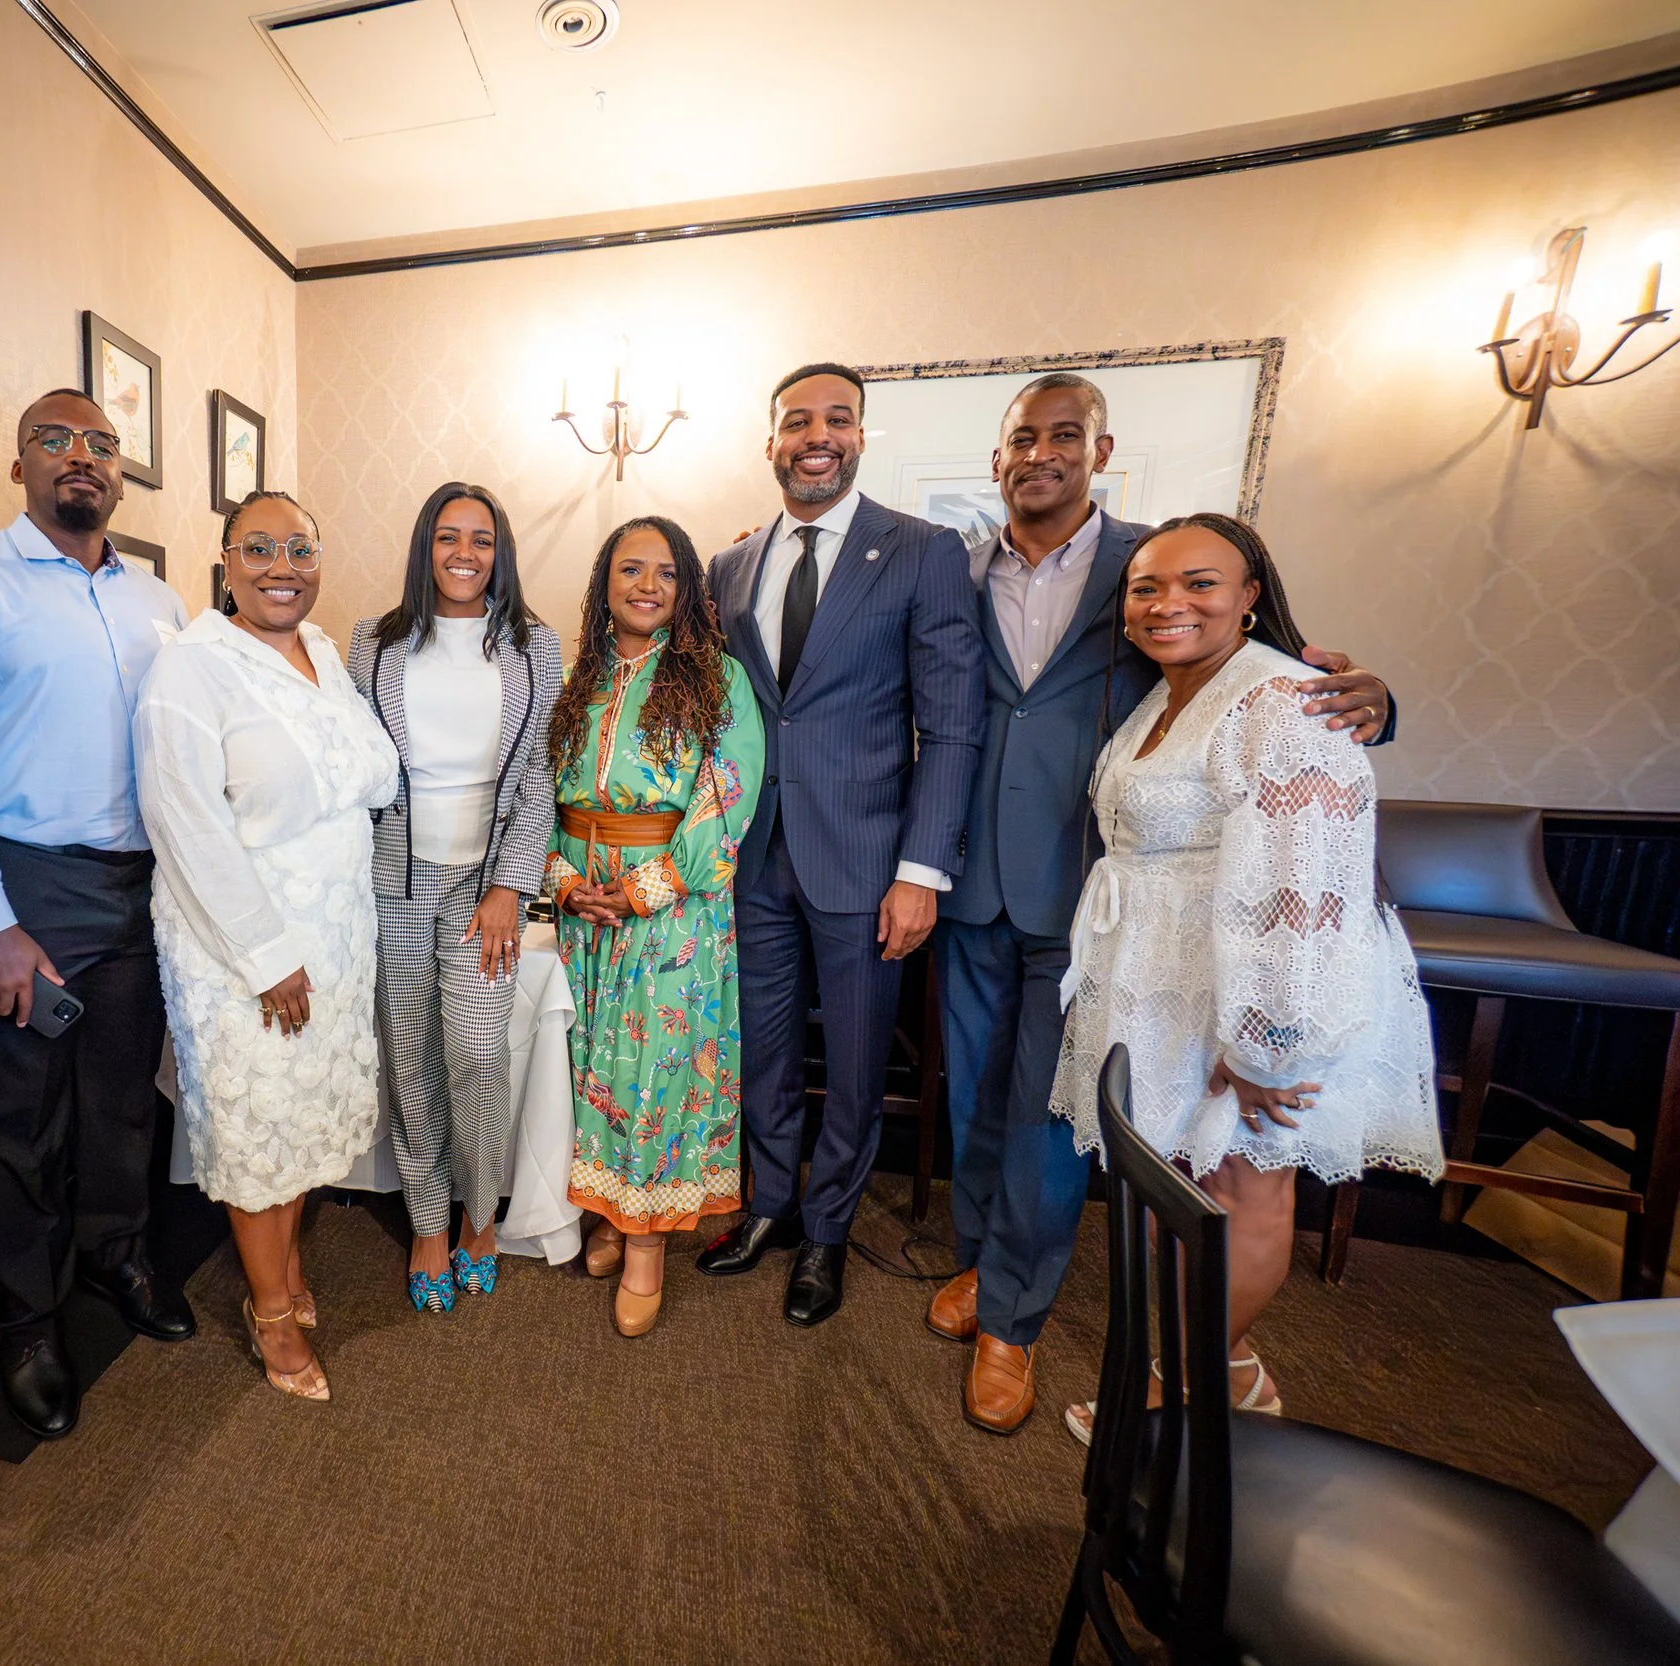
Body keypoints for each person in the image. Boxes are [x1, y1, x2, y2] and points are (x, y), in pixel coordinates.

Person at [931, 374, 1397, 1434]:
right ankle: (978, 1264)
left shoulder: (1152, 562)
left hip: (1088, 890)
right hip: (970, 882)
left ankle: (1014, 1316)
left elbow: (1290, 683)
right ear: (995, 457)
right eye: (1020, 439)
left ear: (1101, 450)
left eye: (1065, 436)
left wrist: (1377, 699)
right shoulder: (946, 566)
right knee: (973, 1105)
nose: (1039, 454)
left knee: (1049, 1120)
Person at [1050, 512, 1441, 1444]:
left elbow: (1303, 887)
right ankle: (1221, 1371)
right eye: (1147, 587)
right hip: (1167, 977)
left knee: (1242, 1186)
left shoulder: (1287, 702)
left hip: (1263, 990)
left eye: (1199, 583)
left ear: (1251, 593)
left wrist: (1269, 1039)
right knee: (1177, 1179)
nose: (1168, 603)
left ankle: (1183, 1393)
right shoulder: (1169, 694)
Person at [0, 389, 193, 1443]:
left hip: (140, 885)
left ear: (121, 474)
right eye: (56, 440)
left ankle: (118, 1255)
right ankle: (27, 1319)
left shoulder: (160, 602)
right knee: (18, 1119)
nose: (82, 457)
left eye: (102, 444)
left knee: (120, 1096)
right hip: (23, 881)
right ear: (19, 464)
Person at [698, 362, 987, 1326]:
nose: (816, 435)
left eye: (838, 419)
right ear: (770, 441)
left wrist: (919, 873)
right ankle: (770, 1205)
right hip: (751, 856)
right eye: (796, 421)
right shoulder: (730, 566)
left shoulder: (923, 550)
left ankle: (828, 1231)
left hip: (868, 865)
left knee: (859, 1065)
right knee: (763, 1053)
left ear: (862, 436)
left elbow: (951, 725)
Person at [133, 491, 399, 1400]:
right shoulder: (191, 670)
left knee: (300, 1124)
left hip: (335, 934)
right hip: (242, 941)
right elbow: (185, 825)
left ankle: (281, 1276)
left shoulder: (323, 652)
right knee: (259, 1132)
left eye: (298, 547)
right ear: (224, 562)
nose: (281, 565)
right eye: (259, 549)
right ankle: (271, 1312)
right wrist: (264, 956)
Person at [547, 517, 764, 1338]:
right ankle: (612, 1210)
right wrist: (564, 880)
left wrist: (649, 887)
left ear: (687, 590)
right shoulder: (579, 677)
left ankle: (645, 1247)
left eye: (666, 572)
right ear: (603, 580)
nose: (647, 584)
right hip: (582, 909)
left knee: (652, 1074)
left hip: (671, 912)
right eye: (630, 568)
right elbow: (542, 789)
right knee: (590, 1069)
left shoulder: (718, 678)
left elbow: (729, 792)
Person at [348, 483, 562, 1313]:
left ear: (500, 550)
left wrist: (512, 883)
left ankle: (482, 1216)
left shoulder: (533, 647)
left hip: (486, 887)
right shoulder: (373, 642)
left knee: (477, 1056)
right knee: (410, 1059)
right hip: (393, 883)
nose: (464, 553)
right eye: (447, 537)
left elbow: (539, 775)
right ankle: (429, 1222)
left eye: (480, 538)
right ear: (424, 548)